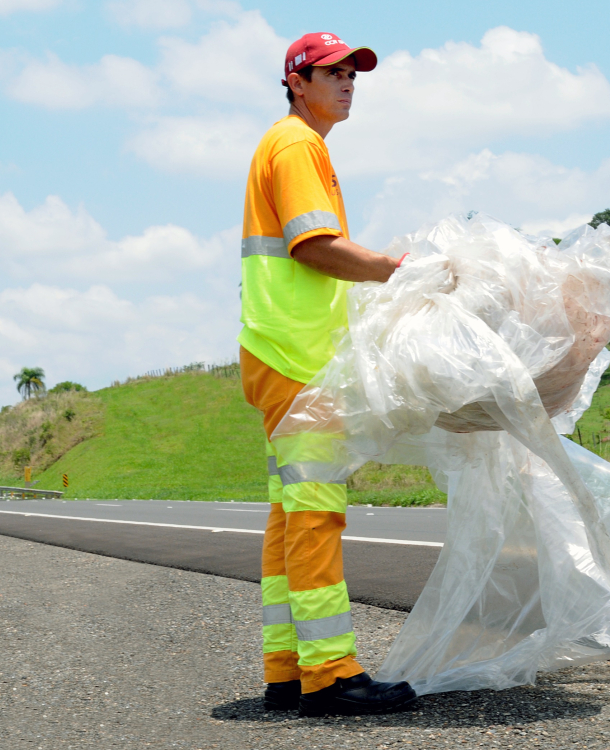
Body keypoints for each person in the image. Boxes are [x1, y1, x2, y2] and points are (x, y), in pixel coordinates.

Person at [238, 32, 417, 717]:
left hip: (279, 351)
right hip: (298, 358)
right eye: (331, 73)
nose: (347, 82)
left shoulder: (291, 144)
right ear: (296, 81)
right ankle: (331, 675)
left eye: (352, 73)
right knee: (316, 515)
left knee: (290, 514)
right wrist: (392, 269)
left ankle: (287, 670)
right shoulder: (296, 145)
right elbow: (313, 246)